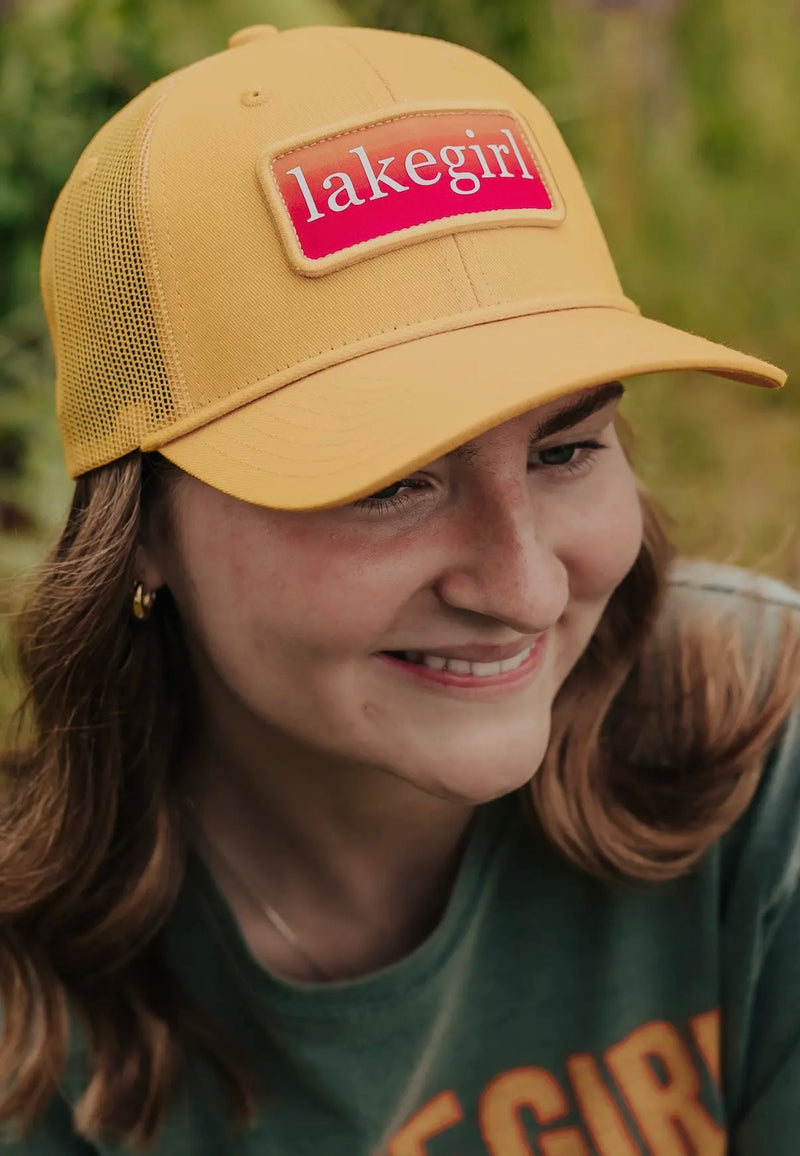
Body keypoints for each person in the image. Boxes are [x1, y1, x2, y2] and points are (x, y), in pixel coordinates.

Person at [1, 21, 798, 1156]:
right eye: (388, 485)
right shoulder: (34, 1008)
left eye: (565, 451)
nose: (523, 588)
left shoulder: (767, 757)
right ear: (139, 530)